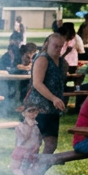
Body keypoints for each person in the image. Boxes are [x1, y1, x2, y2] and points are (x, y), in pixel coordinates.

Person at [24, 25, 73, 156]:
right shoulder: (42, 59)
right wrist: (54, 98)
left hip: (52, 109)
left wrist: (59, 101)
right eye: (55, 46)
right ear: (47, 44)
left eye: (60, 46)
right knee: (33, 145)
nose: (58, 49)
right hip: (38, 107)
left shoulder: (62, 62)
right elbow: (37, 83)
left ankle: (36, 173)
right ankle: (24, 173)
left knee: (51, 145)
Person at [10, 105, 46, 175]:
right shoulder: (20, 126)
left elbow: (38, 138)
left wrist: (38, 145)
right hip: (22, 152)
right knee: (21, 171)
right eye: (30, 111)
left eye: (35, 111)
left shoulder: (36, 126)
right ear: (23, 113)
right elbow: (24, 139)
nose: (33, 114)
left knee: (29, 169)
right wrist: (30, 126)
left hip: (32, 152)